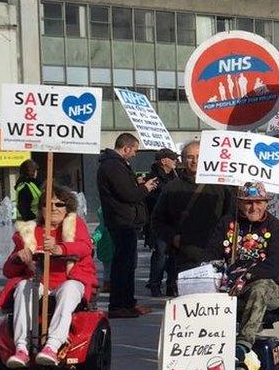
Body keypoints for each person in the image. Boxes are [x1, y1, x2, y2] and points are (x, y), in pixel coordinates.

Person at [0, 185, 97, 367]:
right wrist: (18, 258)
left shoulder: (75, 225)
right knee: (23, 287)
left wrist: (60, 248)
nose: (53, 208)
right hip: (40, 281)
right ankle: (22, 348)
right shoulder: (29, 232)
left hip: (68, 280)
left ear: (67, 207)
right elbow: (8, 271)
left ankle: (52, 345)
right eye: (47, 204)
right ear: (40, 209)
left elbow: (84, 247)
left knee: (70, 289)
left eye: (59, 204)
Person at [214, 182, 279, 353]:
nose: (254, 207)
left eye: (259, 202)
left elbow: (275, 265)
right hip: (227, 283)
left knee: (259, 289)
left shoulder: (275, 227)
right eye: (248, 202)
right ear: (239, 203)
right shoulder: (228, 223)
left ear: (266, 203)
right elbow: (210, 254)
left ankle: (244, 343)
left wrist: (245, 276)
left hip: (264, 286)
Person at [97, 133, 158, 319]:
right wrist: (145, 188)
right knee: (123, 265)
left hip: (124, 220)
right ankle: (119, 305)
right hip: (122, 221)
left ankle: (127, 302)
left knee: (127, 264)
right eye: (134, 151)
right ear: (126, 148)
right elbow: (129, 195)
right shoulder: (113, 165)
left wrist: (135, 183)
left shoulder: (115, 165)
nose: (134, 155)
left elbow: (123, 189)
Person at [152, 141, 235, 276]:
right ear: (182, 160)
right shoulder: (172, 187)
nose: (195, 161)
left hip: (215, 255)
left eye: (199, 156)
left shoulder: (221, 186)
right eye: (190, 157)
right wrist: (173, 238)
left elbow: (230, 216)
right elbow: (157, 220)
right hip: (184, 257)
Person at [144, 148, 181, 297]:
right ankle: (155, 284)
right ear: (163, 160)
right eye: (173, 158)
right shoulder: (153, 178)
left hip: (175, 222)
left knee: (174, 255)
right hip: (160, 223)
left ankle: (171, 284)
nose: (175, 161)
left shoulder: (175, 176)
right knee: (160, 253)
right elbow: (152, 200)